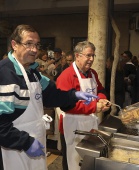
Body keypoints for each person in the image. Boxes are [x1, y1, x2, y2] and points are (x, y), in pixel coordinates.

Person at [0, 24, 98, 170]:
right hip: (13, 149)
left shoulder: (33, 72)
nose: (34, 50)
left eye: (37, 45)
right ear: (14, 44)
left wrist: (75, 95)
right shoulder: (5, 74)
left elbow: (52, 96)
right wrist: (25, 142)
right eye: (28, 44)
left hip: (34, 140)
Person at [56, 41, 111, 170]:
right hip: (72, 125)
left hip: (89, 122)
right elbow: (66, 105)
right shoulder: (66, 76)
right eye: (88, 55)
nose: (91, 59)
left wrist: (102, 100)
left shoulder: (92, 73)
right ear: (77, 56)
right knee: (71, 159)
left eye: (93, 56)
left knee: (87, 158)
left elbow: (101, 90)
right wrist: (93, 107)